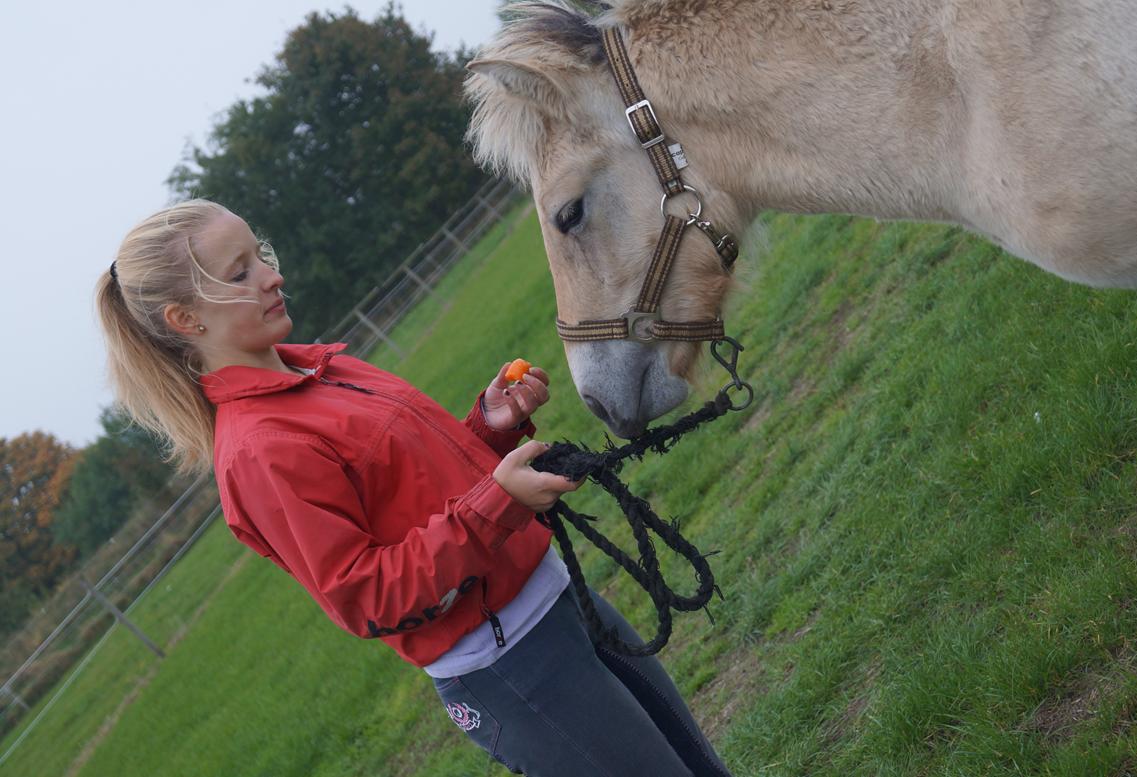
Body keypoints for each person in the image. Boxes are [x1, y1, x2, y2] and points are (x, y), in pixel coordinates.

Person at [95, 199, 733, 776]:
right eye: (239, 274)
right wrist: (497, 504)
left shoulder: (322, 370)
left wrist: (487, 430)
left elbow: (416, 493)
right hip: (514, 666)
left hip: (561, 602)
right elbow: (367, 595)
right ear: (184, 319)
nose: (271, 275)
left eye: (260, 255)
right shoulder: (259, 449)